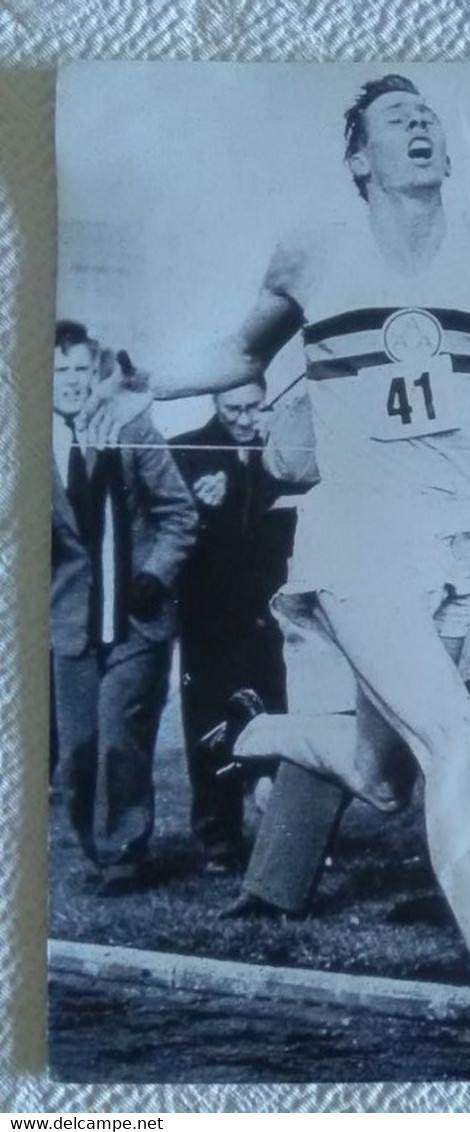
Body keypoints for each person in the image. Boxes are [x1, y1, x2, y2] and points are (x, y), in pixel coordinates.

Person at [80, 74, 470, 1074]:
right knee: (456, 745)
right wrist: (140, 381)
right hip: (357, 538)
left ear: (445, 154)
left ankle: (250, 727)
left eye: (429, 121)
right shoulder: (316, 246)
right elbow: (242, 352)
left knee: (382, 775)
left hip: (461, 546)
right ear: (360, 159)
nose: (419, 129)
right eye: (393, 122)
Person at [51, 321, 198, 891]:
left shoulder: (133, 430)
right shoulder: (30, 445)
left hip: (137, 617)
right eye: (59, 372)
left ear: (99, 373)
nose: (70, 382)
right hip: (70, 622)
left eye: (82, 371)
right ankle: (93, 849)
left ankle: (125, 853)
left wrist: (155, 573)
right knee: (79, 751)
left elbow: (180, 515)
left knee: (119, 737)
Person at [170, 379, 297, 870]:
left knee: (279, 717)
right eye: (233, 410)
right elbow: (172, 518)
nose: (244, 419)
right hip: (210, 617)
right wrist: (201, 498)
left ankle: (282, 837)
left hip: (274, 615)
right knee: (210, 725)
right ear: (214, 403)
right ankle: (218, 839)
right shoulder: (186, 452)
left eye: (253, 408)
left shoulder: (284, 450)